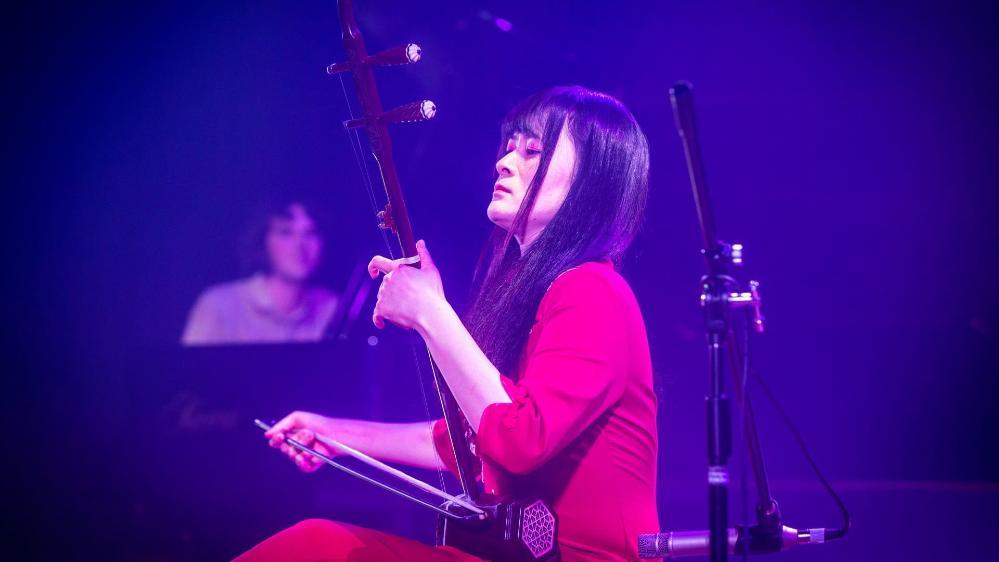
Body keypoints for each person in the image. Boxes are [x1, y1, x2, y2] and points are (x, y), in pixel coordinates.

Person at [236, 86, 657, 561]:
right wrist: (334, 435)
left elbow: (519, 438)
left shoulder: (593, 290)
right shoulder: (541, 293)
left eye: (533, 149)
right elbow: (475, 440)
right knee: (315, 545)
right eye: (510, 145)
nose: (504, 161)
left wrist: (431, 312)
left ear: (591, 182)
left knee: (317, 548)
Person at [181, 199, 338, 345]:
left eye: (310, 233)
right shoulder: (219, 306)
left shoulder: (331, 310)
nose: (300, 246)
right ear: (263, 241)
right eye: (286, 232)